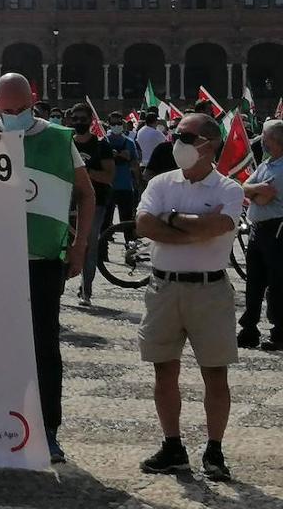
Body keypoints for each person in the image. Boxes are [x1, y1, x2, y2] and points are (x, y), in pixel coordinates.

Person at [0, 73, 95, 464]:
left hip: (42, 260)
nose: (12, 116)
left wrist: (79, 248)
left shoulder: (59, 138)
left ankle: (47, 430)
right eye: (5, 110)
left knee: (43, 346)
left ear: (34, 100)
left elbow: (86, 192)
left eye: (20, 109)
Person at [135, 113, 243, 480]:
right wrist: (193, 229)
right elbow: (144, 224)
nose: (176, 142)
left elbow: (219, 227)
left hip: (210, 289)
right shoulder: (163, 181)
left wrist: (172, 220)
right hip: (163, 288)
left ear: (208, 145)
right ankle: (173, 446)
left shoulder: (228, 189)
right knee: (164, 369)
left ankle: (214, 450)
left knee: (215, 372)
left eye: (184, 136)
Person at [239, 119, 283, 351]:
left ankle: (279, 331)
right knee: (253, 281)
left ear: (274, 140)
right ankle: (249, 328)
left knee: (277, 283)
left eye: (264, 138)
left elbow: (266, 196)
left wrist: (253, 191)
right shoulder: (267, 164)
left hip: (277, 230)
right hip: (258, 228)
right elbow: (244, 188)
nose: (261, 142)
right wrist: (255, 190)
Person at [68, 103, 115, 306]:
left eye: (83, 118)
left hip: (95, 202)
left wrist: (84, 173)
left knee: (89, 245)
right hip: (67, 202)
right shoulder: (67, 143)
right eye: (75, 118)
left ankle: (86, 289)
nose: (79, 122)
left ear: (90, 120)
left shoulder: (101, 146)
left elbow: (109, 176)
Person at [104, 112, 142, 228]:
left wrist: (138, 182)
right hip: (107, 186)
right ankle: (103, 244)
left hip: (125, 185)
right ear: (109, 125)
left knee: (126, 219)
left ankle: (128, 241)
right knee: (105, 220)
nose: (116, 126)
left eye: (119, 123)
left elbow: (135, 164)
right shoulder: (103, 142)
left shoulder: (129, 142)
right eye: (113, 123)